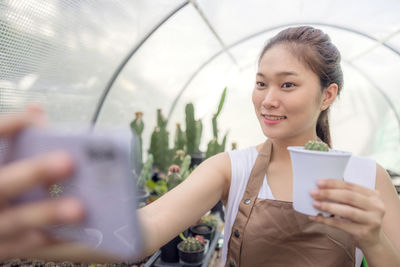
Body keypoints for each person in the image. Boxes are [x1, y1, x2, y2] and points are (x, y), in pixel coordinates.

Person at [1, 26, 400, 266]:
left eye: (288, 84)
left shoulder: (368, 177)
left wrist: (372, 239)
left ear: (327, 95)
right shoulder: (232, 168)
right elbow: (144, 229)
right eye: (261, 83)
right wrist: (37, 229)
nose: (267, 99)